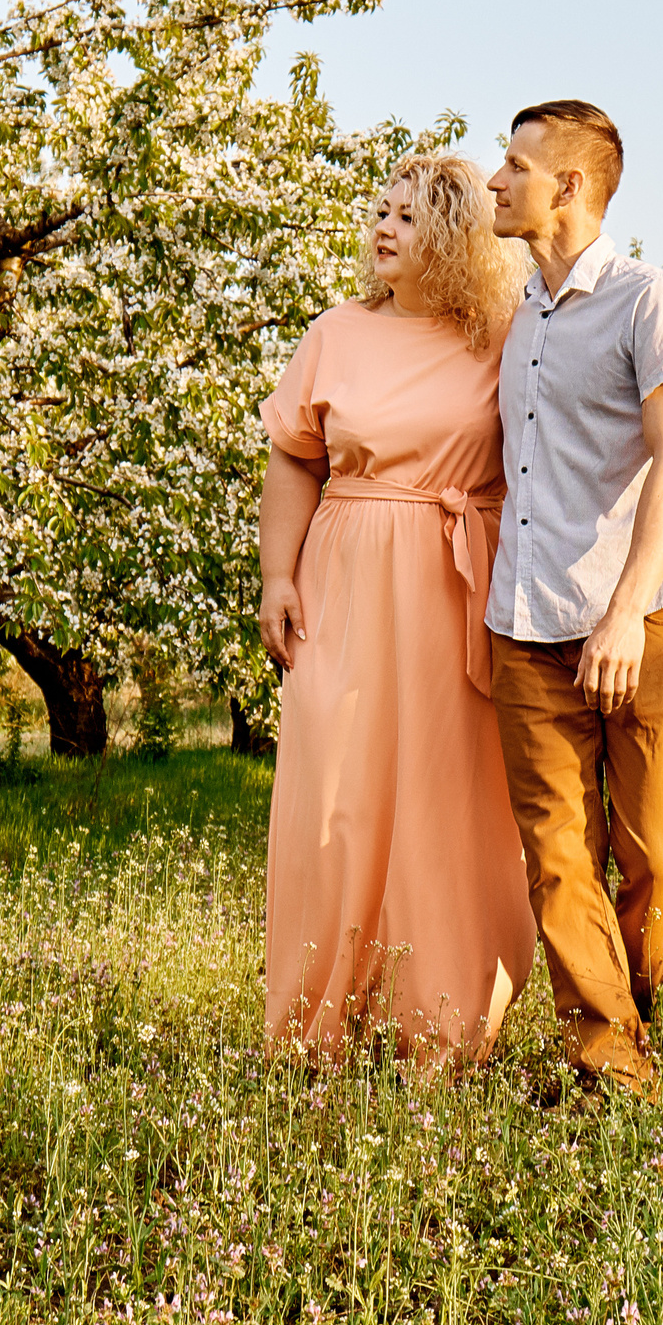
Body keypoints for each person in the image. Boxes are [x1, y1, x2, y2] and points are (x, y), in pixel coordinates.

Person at [255, 153, 538, 1065]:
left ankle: (445, 1021)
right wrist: (277, 576)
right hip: (344, 577)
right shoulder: (335, 331)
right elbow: (296, 457)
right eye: (380, 210)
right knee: (336, 790)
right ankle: (319, 1018)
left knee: (445, 796)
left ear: (452, 237)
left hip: (454, 578)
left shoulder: (501, 334)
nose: (382, 227)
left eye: (408, 217)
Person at [483, 100, 663, 1103]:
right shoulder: (518, 316)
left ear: (566, 186)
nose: (496, 181)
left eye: (514, 165)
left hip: (643, 624)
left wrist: (624, 610)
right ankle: (607, 1056)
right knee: (556, 858)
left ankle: (628, 1016)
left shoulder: (652, 301)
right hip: (525, 628)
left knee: (656, 858)